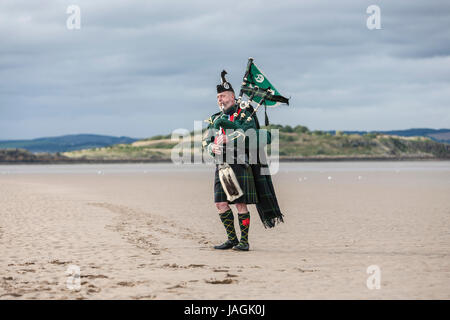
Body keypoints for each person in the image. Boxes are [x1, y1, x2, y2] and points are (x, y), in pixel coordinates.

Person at [202, 70, 284, 252]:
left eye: (222, 96)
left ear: (232, 96)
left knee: (240, 203)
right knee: (220, 203)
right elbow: (206, 140)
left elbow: (250, 134)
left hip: (240, 164)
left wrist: (230, 137)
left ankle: (244, 242)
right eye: (218, 97)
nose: (220, 100)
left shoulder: (245, 115)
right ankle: (232, 239)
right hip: (221, 166)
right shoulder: (215, 118)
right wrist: (211, 147)